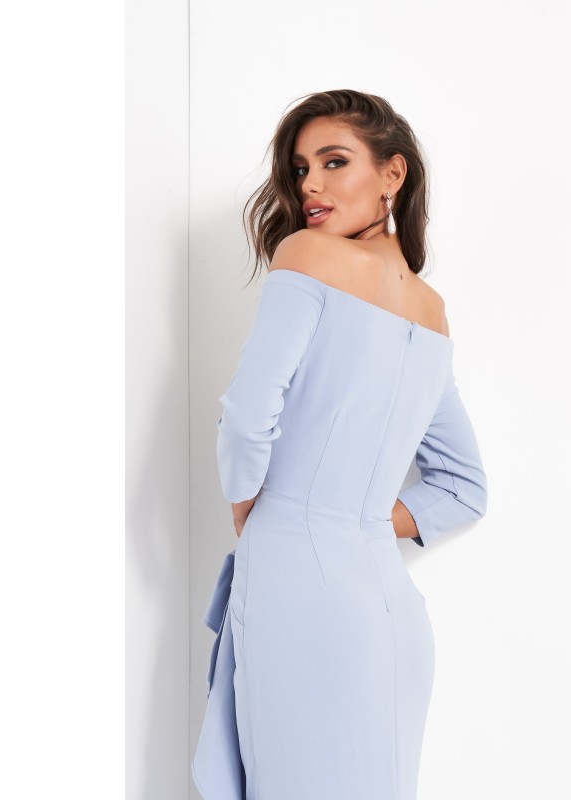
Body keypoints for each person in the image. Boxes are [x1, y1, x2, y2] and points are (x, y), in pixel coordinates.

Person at [192, 89, 488, 800]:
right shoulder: (431, 313)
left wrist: (250, 502)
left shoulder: (307, 255)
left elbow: (248, 413)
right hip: (389, 610)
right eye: (300, 170)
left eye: (333, 162)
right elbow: (464, 487)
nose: (310, 186)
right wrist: (354, 511)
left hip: (299, 584)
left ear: (393, 173)